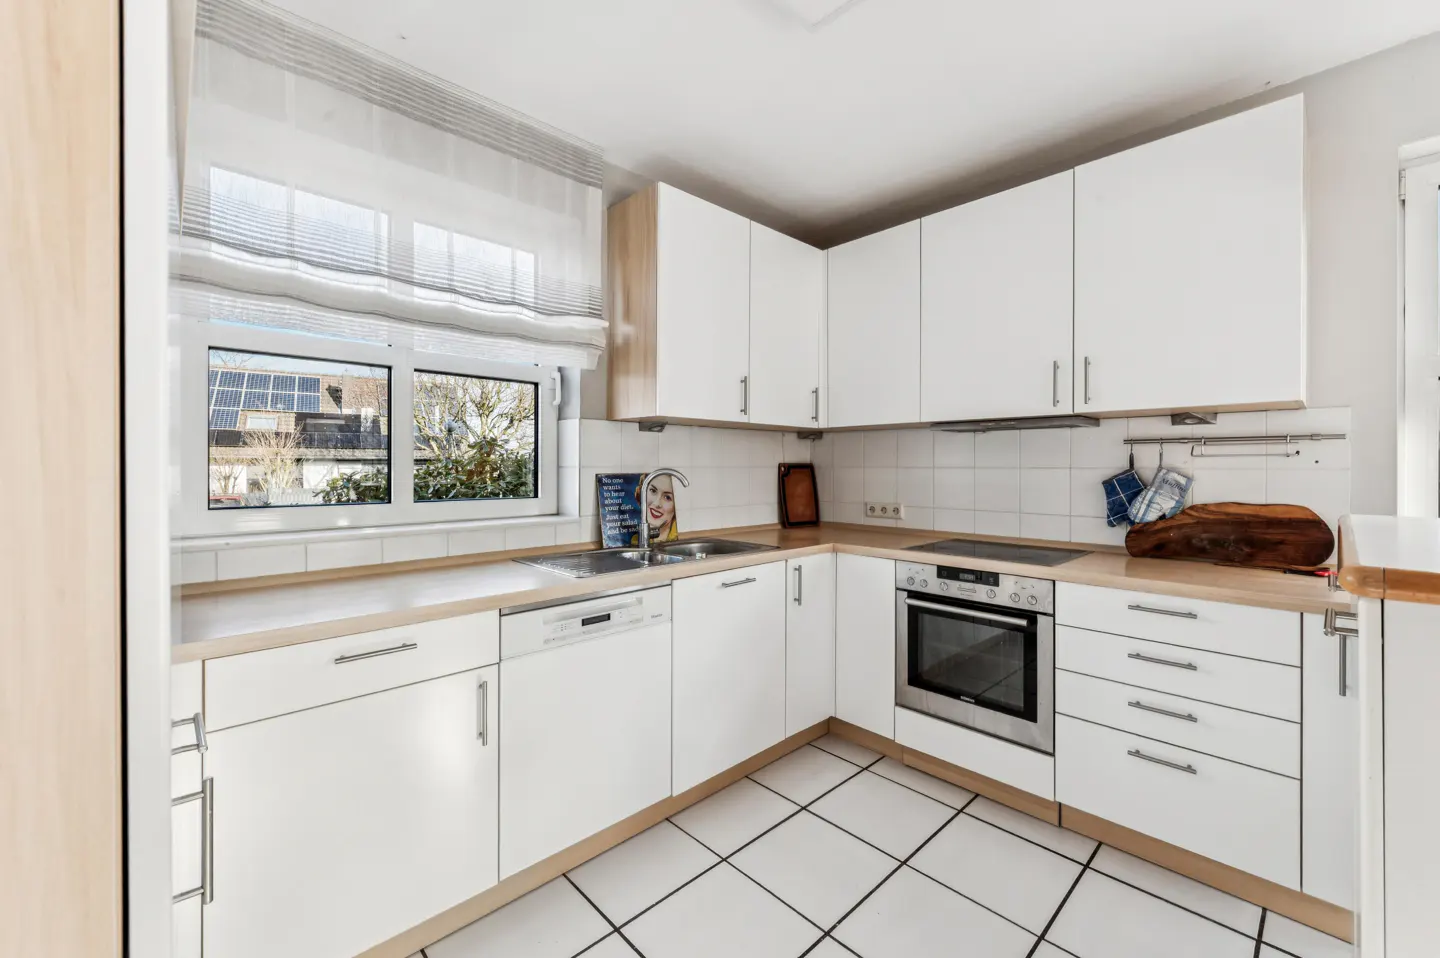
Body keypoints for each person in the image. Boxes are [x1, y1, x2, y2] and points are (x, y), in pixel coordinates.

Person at [630, 473, 679, 545]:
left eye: (667, 497)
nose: (657, 503)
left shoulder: (681, 537)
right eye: (653, 491)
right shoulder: (636, 541)